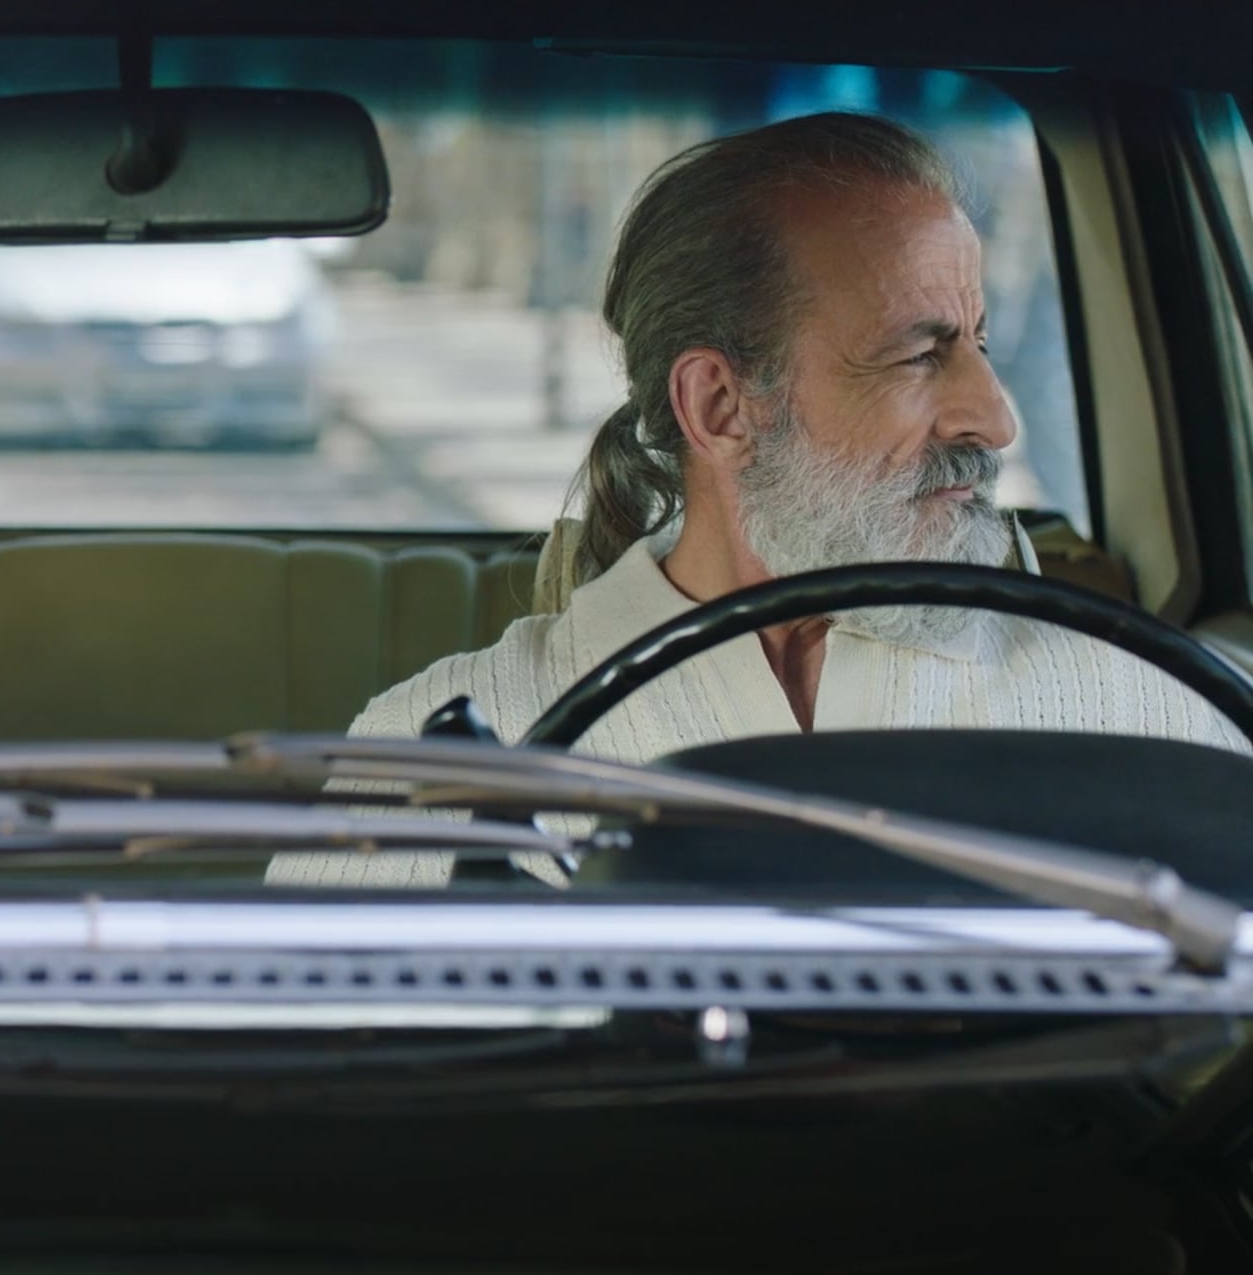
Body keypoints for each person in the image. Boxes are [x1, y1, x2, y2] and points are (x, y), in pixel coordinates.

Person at [272, 112, 1246, 888]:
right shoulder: (438, 753)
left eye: (979, 344)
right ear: (721, 406)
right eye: (920, 354)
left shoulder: (1137, 707)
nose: (994, 419)